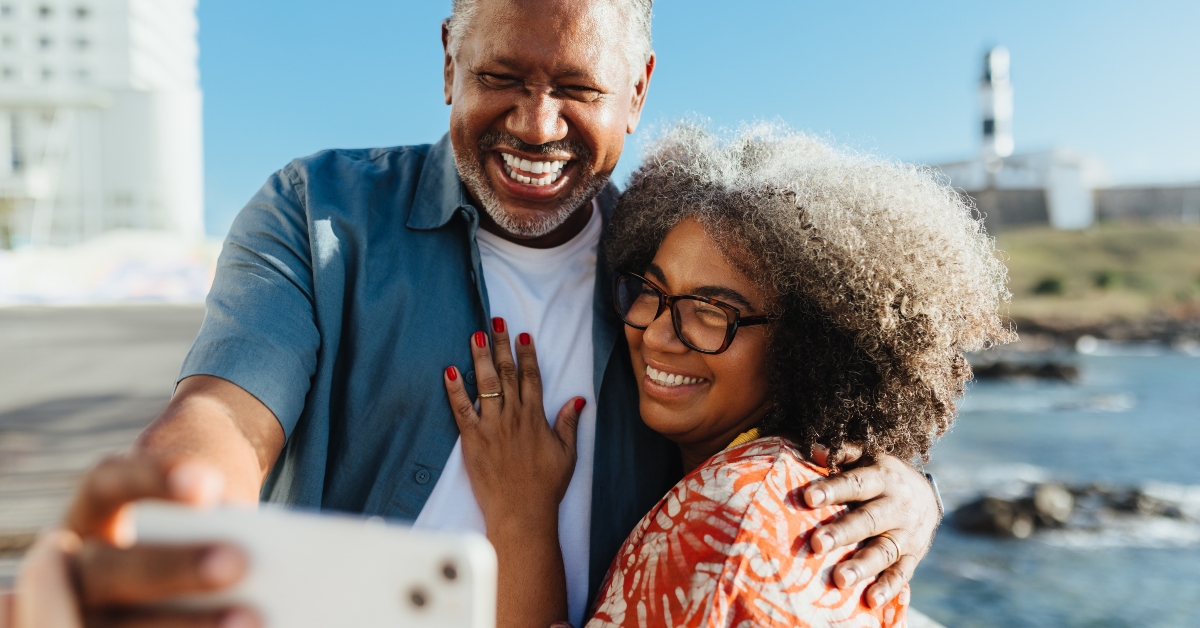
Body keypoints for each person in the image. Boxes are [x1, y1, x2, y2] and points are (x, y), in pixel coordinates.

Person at [14, 2, 941, 627]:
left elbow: (805, 388)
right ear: (449, 61)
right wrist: (169, 516)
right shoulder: (318, 213)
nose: (537, 125)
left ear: (639, 90)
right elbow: (223, 411)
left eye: (578, 89)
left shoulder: (668, 264)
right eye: (501, 75)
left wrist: (911, 488)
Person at [444, 124, 1014, 627]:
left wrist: (521, 516)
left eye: (714, 311)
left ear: (809, 345)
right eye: (651, 290)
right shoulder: (780, 483)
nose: (658, 334)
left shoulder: (730, 525)